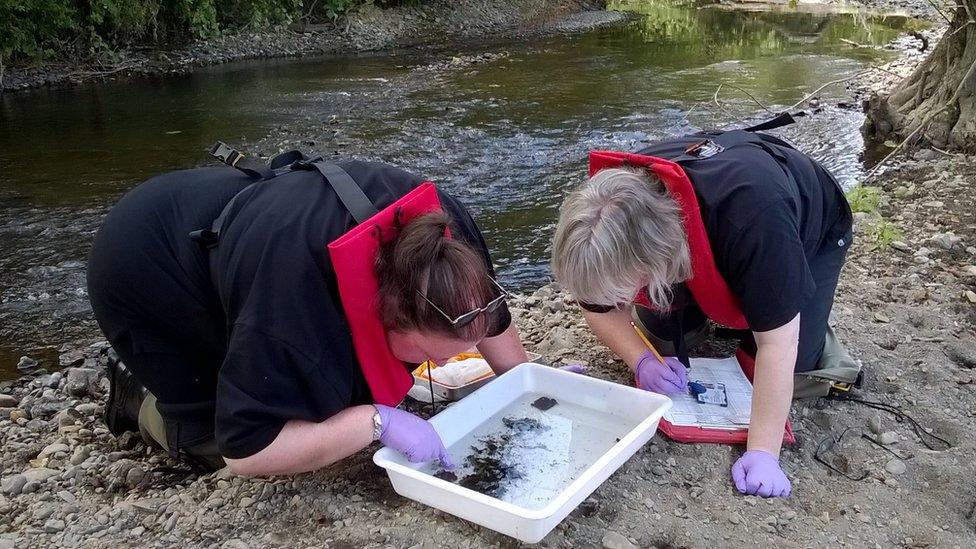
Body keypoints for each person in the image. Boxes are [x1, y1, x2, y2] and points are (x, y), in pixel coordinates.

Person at [87, 148, 529, 475]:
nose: (448, 361)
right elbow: (248, 451)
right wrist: (378, 420)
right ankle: (136, 396)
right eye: (433, 355)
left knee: (320, 392)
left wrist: (528, 380)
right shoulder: (299, 313)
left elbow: (485, 316)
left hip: (250, 225)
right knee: (212, 444)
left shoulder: (449, 232)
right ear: (391, 316)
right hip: (143, 263)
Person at [550, 127, 860, 498]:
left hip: (811, 227)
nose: (618, 301)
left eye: (623, 292)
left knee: (793, 367)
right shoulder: (605, 217)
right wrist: (642, 360)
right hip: (691, 239)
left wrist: (763, 451)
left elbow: (777, 345)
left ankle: (797, 313)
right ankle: (727, 303)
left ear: (654, 261)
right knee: (663, 340)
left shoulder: (755, 218)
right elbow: (596, 306)